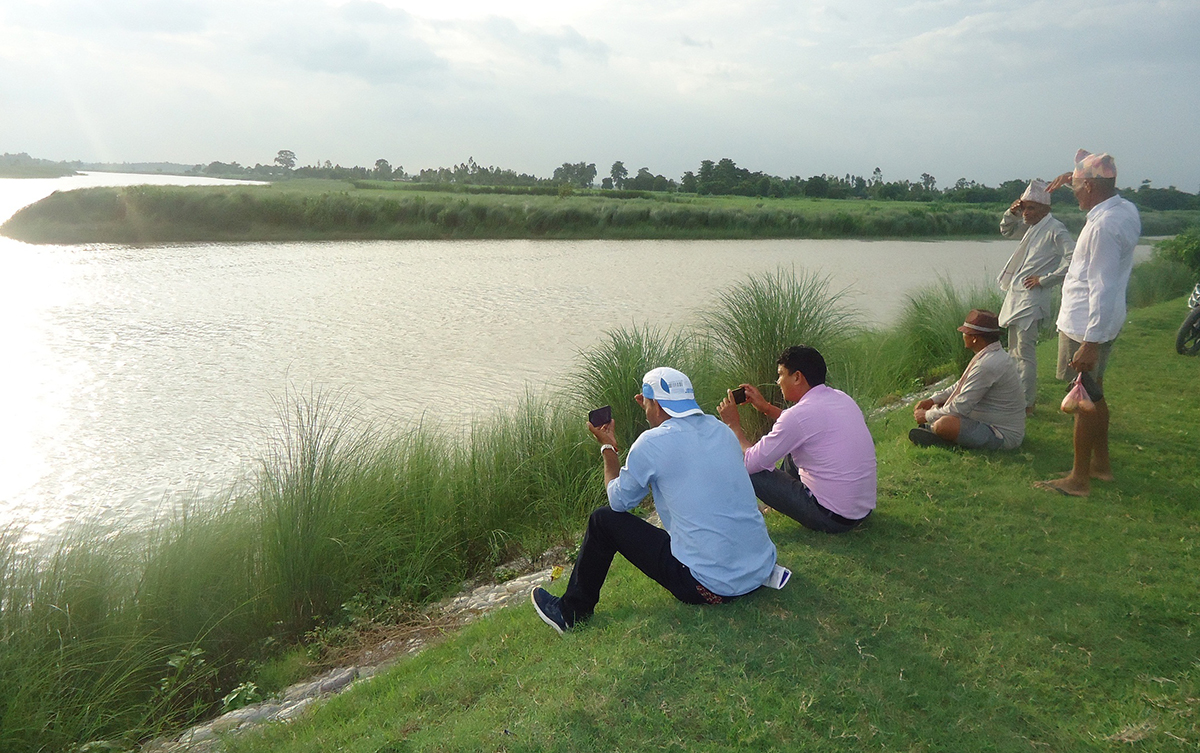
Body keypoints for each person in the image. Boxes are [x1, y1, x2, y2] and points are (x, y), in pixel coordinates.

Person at [531, 367, 778, 634]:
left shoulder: (650, 443)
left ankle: (570, 614)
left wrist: (608, 449)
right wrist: (653, 409)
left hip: (710, 587)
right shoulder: (720, 430)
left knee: (603, 520)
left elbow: (618, 502)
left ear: (657, 405)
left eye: (647, 403)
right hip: (760, 569)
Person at [1036, 149, 1141, 497]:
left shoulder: (1103, 227)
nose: (1075, 192)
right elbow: (1108, 285)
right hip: (1101, 323)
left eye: (1079, 186)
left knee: (1081, 398)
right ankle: (1101, 466)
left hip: (1086, 326)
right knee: (1094, 393)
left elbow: (1102, 286)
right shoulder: (1124, 209)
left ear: (1093, 187)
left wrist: (1090, 342)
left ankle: (1078, 478)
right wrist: (1073, 178)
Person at [716, 345, 876, 533]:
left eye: (781, 374)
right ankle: (772, 507)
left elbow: (751, 463)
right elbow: (803, 427)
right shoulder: (841, 398)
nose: (778, 381)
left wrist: (733, 425)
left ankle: (736, 517)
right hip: (860, 511)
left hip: (831, 518)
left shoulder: (798, 415)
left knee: (750, 469)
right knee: (794, 451)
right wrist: (766, 407)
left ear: (797, 377)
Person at [998, 179, 1075, 414]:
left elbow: (1073, 260)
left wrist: (1045, 279)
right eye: (1024, 207)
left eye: (1031, 208)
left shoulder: (1055, 229)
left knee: (1025, 351)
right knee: (1014, 351)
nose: (1026, 213)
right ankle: (1017, 399)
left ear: (1045, 209)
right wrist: (1010, 213)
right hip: (1017, 296)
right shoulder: (1030, 226)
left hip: (1032, 299)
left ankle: (1026, 404)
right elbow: (1006, 230)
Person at [910, 309, 1026, 450]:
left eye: (965, 332)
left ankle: (940, 435)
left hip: (1001, 434)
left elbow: (960, 408)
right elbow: (960, 385)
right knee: (941, 409)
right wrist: (933, 400)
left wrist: (927, 415)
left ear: (974, 338)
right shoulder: (990, 355)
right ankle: (937, 432)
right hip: (987, 422)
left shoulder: (987, 364)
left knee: (944, 424)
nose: (963, 335)